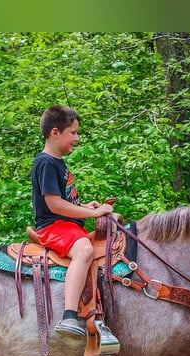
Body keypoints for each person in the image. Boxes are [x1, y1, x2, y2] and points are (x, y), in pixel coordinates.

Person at [31, 105, 113, 339]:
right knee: (85, 250)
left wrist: (86, 207)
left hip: (66, 224)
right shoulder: (46, 162)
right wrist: (93, 215)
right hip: (52, 227)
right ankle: (69, 315)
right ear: (55, 132)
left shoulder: (58, 162)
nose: (76, 138)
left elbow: (66, 203)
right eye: (73, 133)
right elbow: (54, 205)